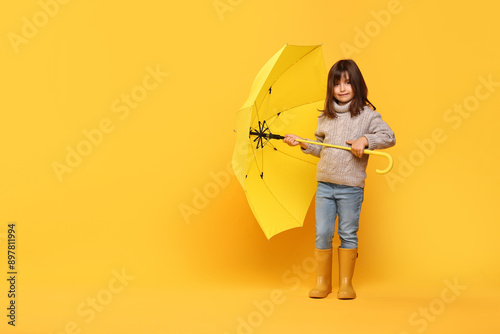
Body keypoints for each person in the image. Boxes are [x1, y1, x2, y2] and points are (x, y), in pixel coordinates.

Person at [283, 59, 395, 299]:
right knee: (322, 232)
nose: (342, 88)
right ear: (330, 88)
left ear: (357, 84)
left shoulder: (367, 115)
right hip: (325, 185)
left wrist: (365, 140)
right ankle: (323, 283)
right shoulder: (325, 117)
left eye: (347, 83)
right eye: (336, 84)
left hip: (351, 189)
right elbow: (320, 148)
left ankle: (346, 283)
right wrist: (303, 143)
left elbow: (389, 136)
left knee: (347, 232)